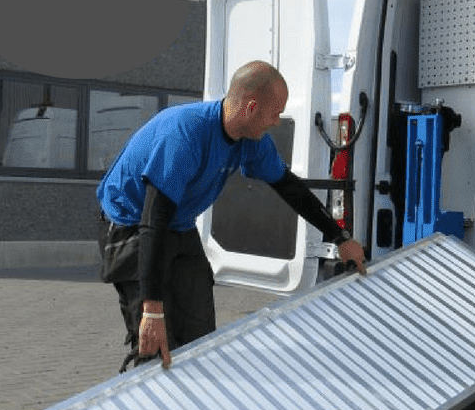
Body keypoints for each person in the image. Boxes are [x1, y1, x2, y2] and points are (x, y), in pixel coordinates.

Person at [97, 60, 366, 371]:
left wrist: (340, 237)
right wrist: (153, 310)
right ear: (251, 108)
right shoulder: (185, 135)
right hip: (132, 225)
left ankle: (195, 408)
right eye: (275, 112)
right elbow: (153, 222)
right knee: (157, 345)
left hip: (178, 224)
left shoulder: (250, 140)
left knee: (200, 338)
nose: (277, 121)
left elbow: (288, 187)